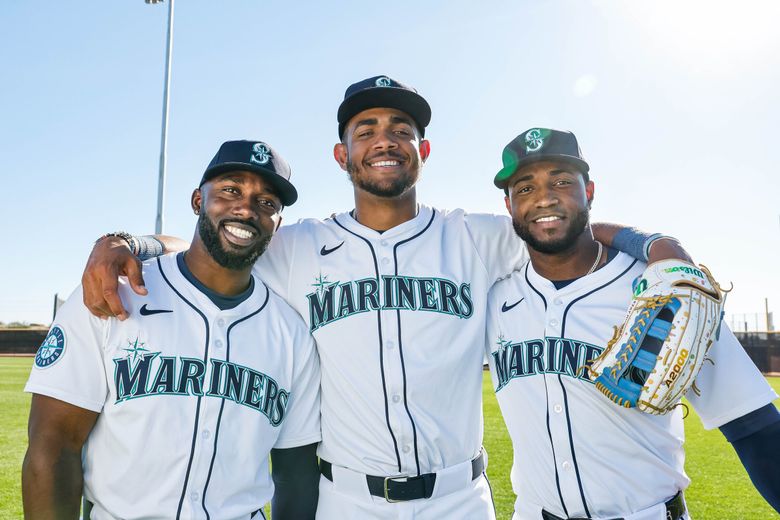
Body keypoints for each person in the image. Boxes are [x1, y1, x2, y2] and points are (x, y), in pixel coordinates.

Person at [81, 77, 690, 519]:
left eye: (403, 130)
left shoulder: (474, 236)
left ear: (422, 153)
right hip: (346, 500)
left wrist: (652, 240)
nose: (385, 139)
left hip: (459, 498)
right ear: (342, 154)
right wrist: (128, 241)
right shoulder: (297, 245)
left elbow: (557, 221)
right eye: (366, 129)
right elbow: (216, 241)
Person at [486, 127, 780, 519]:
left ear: (588, 192)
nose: (544, 197)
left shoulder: (664, 286)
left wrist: (658, 246)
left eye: (561, 180)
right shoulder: (494, 296)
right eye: (524, 188)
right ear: (508, 207)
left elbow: (752, 426)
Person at [22, 140, 321, 520]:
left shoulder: (292, 333)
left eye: (267, 203)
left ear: (276, 224)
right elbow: (53, 446)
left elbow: (296, 472)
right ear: (198, 201)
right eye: (230, 190)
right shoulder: (113, 293)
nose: (246, 208)